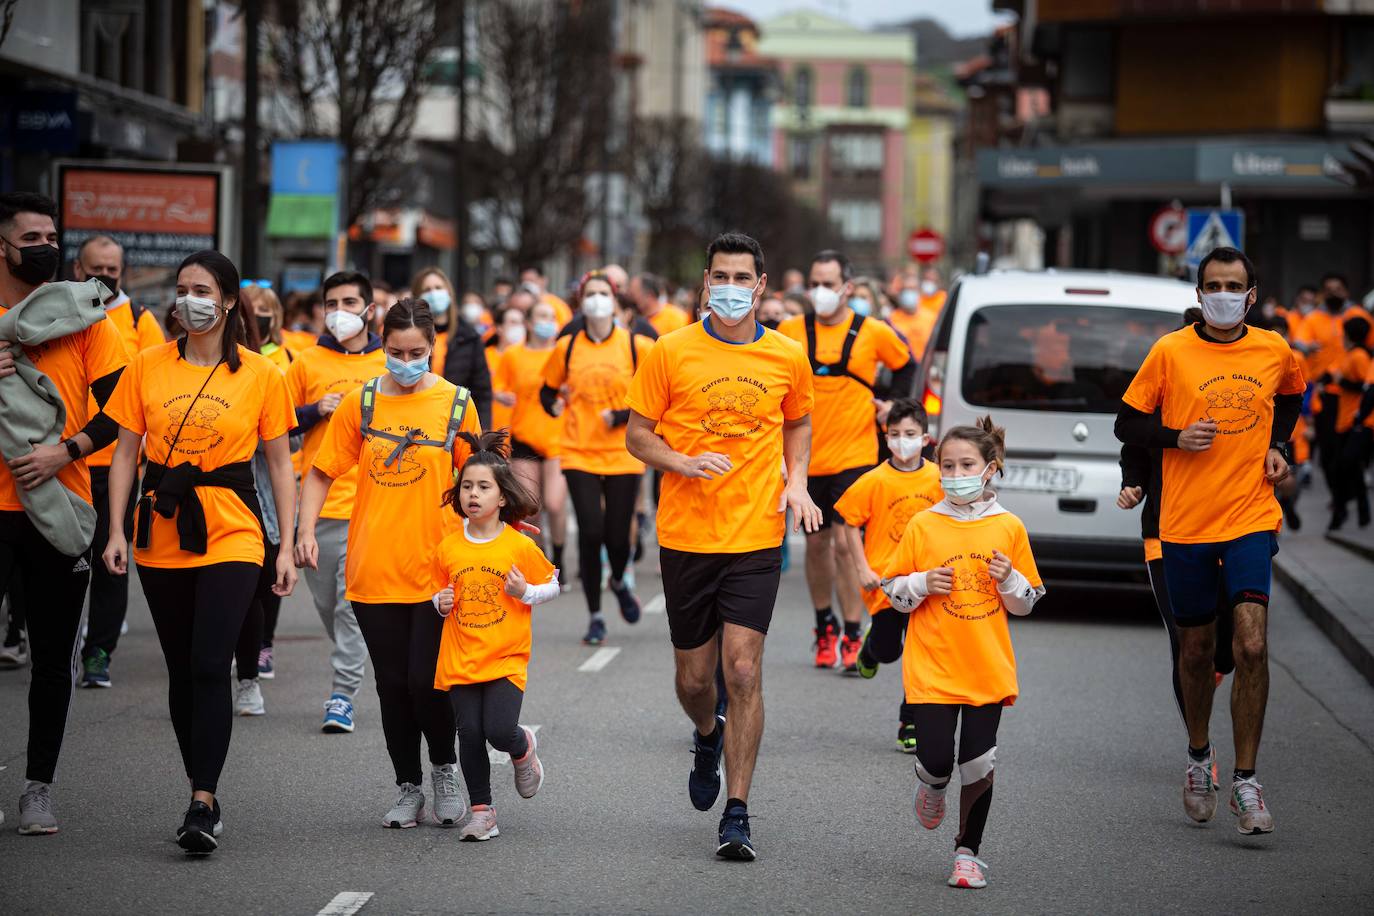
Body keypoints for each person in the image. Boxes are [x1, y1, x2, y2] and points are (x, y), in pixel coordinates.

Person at [626, 231, 822, 861]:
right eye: (721, 277)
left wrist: (796, 483)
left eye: (743, 278)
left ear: (761, 286)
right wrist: (680, 461)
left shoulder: (788, 356)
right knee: (693, 680)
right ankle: (707, 733)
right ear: (705, 283)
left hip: (755, 534)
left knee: (742, 669)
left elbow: (798, 420)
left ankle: (737, 813)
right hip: (686, 535)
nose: (731, 288)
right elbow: (636, 436)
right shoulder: (670, 351)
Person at [101, 249, 298, 854]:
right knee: (184, 669)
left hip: (235, 531)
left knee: (212, 663)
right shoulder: (146, 365)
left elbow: (281, 466)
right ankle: (200, 785)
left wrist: (285, 545)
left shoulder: (262, 374)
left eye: (204, 289)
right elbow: (126, 454)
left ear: (230, 300)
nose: (191, 299)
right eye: (183, 289)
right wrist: (114, 532)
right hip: (160, 529)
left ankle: (202, 801)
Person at [1115, 246, 1303, 837]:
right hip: (1185, 523)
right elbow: (1127, 423)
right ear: (1199, 294)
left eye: (1234, 285)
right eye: (1213, 284)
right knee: (1196, 653)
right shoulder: (1170, 351)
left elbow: (1293, 395)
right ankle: (1200, 756)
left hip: (1250, 514)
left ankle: (1246, 780)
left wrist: (1281, 446)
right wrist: (1174, 437)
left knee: (1250, 645)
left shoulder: (1274, 349)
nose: (1223, 293)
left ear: (1251, 294)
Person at [296, 297, 479, 829]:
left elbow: (479, 484)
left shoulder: (456, 403)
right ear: (383, 347)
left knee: (427, 681)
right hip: (373, 568)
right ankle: (408, 786)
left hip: (437, 572)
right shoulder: (364, 403)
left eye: (416, 352)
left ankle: (444, 771)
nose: (405, 361)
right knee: (392, 685)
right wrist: (305, 530)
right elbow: (321, 471)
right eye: (395, 352)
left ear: (432, 347)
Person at [0, 192, 129, 835]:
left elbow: (118, 415)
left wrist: (63, 452)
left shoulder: (84, 317)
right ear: (3, 247)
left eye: (53, 235)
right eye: (32, 237)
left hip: (60, 507)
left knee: (53, 659)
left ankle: (37, 789)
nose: (46, 246)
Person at [880, 416, 1044, 890]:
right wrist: (920, 583)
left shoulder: (1010, 527)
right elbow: (892, 590)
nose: (956, 474)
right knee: (936, 759)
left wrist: (1009, 578)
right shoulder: (922, 525)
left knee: (978, 762)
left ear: (989, 468)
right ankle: (932, 784)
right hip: (932, 666)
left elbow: (1027, 602)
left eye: (966, 464)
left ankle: (967, 854)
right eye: (947, 466)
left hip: (986, 666)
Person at [778, 249, 915, 672]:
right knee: (815, 546)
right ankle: (825, 627)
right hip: (806, 457)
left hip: (855, 455)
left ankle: (854, 632)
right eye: (813, 284)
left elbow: (907, 365)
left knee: (843, 543)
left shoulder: (873, 331)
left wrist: (892, 406)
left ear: (847, 288)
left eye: (828, 284)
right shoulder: (788, 330)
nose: (819, 292)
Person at [430, 430, 557, 840]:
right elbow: (437, 591)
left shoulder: (518, 545)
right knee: (469, 733)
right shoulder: (448, 547)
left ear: (502, 497)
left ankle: (523, 748)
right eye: (466, 486)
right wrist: (441, 603)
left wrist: (527, 593)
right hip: (460, 656)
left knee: (499, 731)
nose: (473, 494)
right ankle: (483, 811)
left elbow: (552, 583)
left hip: (505, 656)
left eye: (484, 487)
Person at [1117, 309, 1237, 729]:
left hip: (1231, 528)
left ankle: (1211, 671)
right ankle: (1199, 747)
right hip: (1166, 532)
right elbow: (1132, 443)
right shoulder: (1161, 385)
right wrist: (1133, 484)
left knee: (1232, 648)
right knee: (1185, 642)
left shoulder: (1235, 391)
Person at [284, 270, 388, 731]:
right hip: (320, 506)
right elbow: (279, 429)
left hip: (375, 506)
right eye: (332, 303)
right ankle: (360, 653)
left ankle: (342, 694)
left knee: (349, 604)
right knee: (329, 604)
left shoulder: (391, 360)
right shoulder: (305, 363)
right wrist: (314, 411)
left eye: (350, 302)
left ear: (369, 309)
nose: (340, 312)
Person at [541, 270, 654, 645]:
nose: (597, 299)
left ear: (615, 297)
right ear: (581, 300)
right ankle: (595, 616)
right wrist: (555, 406)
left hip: (624, 452)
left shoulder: (637, 346)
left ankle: (619, 580)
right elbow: (547, 391)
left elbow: (654, 399)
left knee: (618, 536)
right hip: (578, 451)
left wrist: (621, 417)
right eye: (591, 293)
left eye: (604, 293)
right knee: (590, 531)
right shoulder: (568, 346)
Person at [72, 235, 165, 689]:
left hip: (118, 467)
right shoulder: (62, 314)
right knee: (63, 562)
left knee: (111, 559)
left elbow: (155, 388)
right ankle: (54, 643)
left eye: (112, 270)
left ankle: (99, 654)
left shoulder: (139, 320)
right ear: (77, 268)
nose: (105, 277)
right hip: (65, 465)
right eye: (97, 268)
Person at [833, 399, 943, 750]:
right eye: (895, 434)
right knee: (888, 650)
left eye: (910, 433)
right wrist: (861, 567)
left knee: (920, 655)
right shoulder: (875, 480)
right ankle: (870, 651)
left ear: (926, 438)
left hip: (928, 583)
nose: (902, 440)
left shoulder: (939, 477)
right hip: (886, 582)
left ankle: (908, 722)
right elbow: (848, 522)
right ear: (886, 436)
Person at [231, 282, 296, 715]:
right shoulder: (163, 365)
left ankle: (250, 673)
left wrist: (289, 539)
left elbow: (282, 453)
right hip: (188, 504)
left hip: (254, 498)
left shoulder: (266, 369)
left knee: (254, 591)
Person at [494, 300, 568, 574]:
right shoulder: (513, 355)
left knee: (555, 503)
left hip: (557, 438)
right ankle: (540, 558)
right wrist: (503, 395)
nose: (546, 321)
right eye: (541, 315)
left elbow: (572, 386)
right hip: (524, 436)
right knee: (530, 505)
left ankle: (559, 555)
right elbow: (498, 386)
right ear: (529, 321)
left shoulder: (561, 353)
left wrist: (566, 398)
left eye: (550, 316)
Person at [411, 267, 492, 427]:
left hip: (457, 424)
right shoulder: (410, 336)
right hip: (417, 420)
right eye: (427, 289)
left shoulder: (469, 337)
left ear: (448, 292)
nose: (434, 293)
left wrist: (482, 437)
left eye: (438, 288)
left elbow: (482, 392)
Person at [1323, 316, 1372, 530]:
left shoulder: (1359, 356)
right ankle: (1360, 512)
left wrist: (1341, 382)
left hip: (1356, 422)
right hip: (1344, 421)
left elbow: (1365, 387)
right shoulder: (1351, 355)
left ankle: (1343, 512)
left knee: (1342, 467)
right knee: (1349, 468)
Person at [889, 267, 944, 360]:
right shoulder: (892, 319)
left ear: (919, 291)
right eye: (906, 289)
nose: (909, 293)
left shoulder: (931, 318)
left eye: (913, 289)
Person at [486, 305, 524, 434]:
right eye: (513, 322)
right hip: (491, 431)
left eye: (521, 322)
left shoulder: (528, 357)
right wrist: (495, 394)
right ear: (499, 328)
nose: (519, 327)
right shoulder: (485, 356)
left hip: (520, 433)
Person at [631, 272, 690, 337]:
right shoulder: (632, 318)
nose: (631, 299)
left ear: (649, 295)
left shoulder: (676, 318)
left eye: (634, 295)